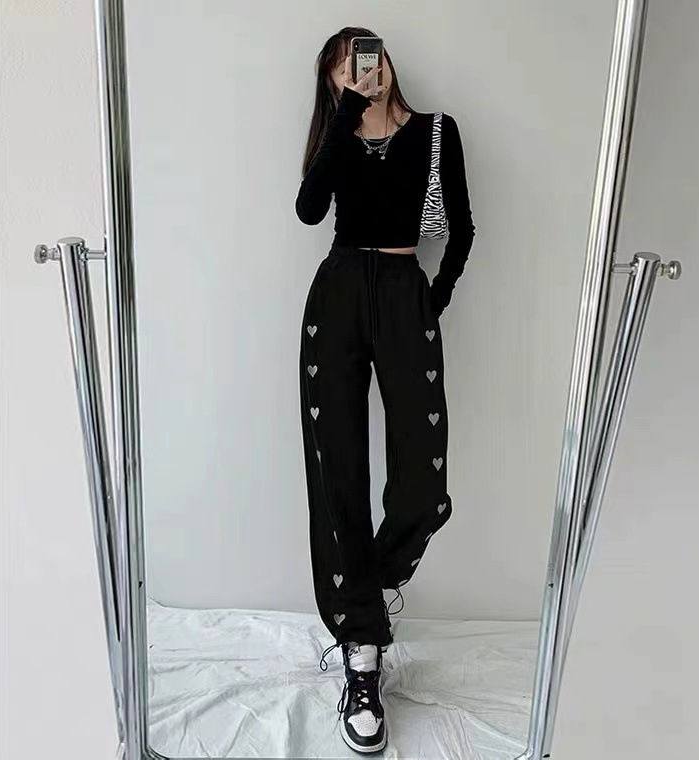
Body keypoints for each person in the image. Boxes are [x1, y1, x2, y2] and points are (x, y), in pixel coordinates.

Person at [296, 26, 475, 754]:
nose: (363, 69)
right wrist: (345, 114)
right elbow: (310, 210)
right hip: (337, 294)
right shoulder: (337, 134)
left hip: (404, 293)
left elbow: (461, 228)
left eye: (367, 55)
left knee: (423, 488)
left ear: (387, 61)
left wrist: (433, 299)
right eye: (346, 65)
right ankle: (362, 657)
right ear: (333, 81)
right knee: (337, 471)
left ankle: (360, 592)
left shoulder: (435, 133)